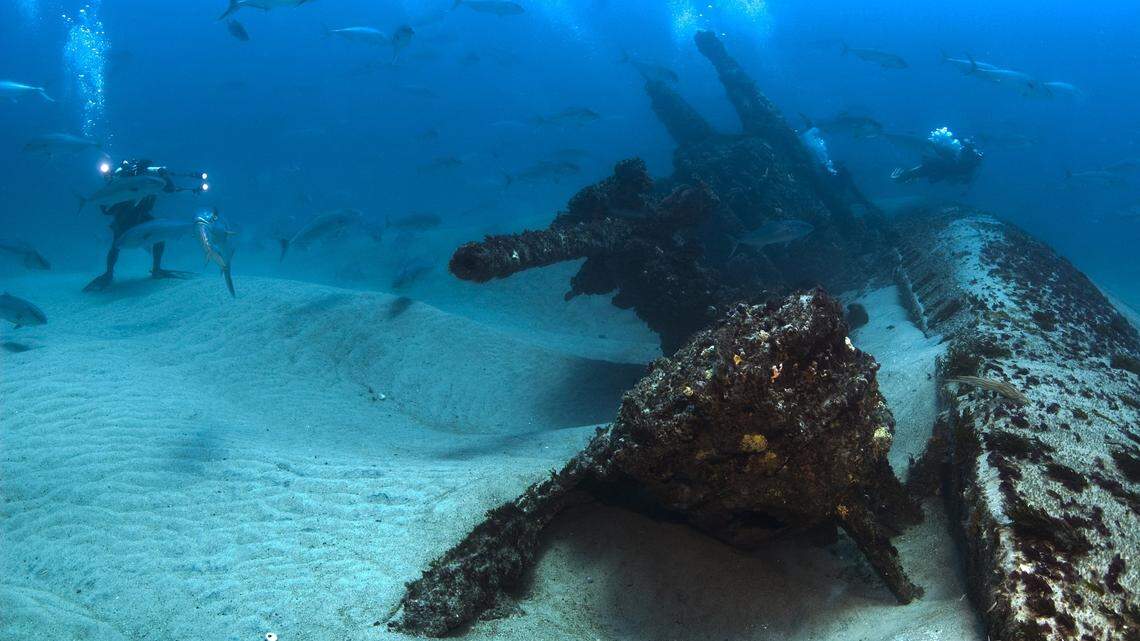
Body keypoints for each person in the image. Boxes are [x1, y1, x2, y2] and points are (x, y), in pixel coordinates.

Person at [83, 159, 193, 292]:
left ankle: (156, 269)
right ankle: (109, 273)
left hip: (142, 213)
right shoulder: (125, 177)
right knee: (117, 244)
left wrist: (164, 174)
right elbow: (109, 200)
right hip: (124, 214)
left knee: (159, 236)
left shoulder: (151, 180)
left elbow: (169, 189)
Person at [891, 127, 983, 185]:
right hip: (945, 165)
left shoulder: (941, 162)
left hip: (944, 164)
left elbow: (921, 170)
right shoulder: (965, 165)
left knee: (930, 165)